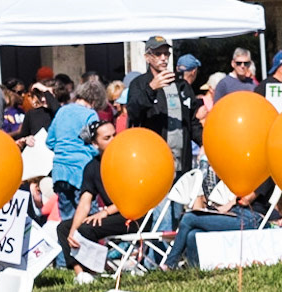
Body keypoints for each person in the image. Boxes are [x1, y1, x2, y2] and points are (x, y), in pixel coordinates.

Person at [163, 164, 276, 269]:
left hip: (251, 219)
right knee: (193, 234)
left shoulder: (266, 173)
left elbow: (246, 200)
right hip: (236, 213)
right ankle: (195, 271)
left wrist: (228, 206)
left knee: (189, 218)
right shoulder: (250, 169)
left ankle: (169, 264)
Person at [47, 79, 107, 268]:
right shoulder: (90, 115)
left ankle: (66, 262)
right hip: (80, 170)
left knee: (66, 220)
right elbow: (93, 143)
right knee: (88, 219)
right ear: (96, 100)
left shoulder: (62, 111)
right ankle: (90, 263)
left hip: (59, 171)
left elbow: (50, 141)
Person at [124, 36, 199, 175]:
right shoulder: (139, 84)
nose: (163, 58)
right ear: (147, 57)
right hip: (153, 161)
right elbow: (133, 113)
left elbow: (192, 121)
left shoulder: (180, 84)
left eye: (166, 53)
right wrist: (151, 89)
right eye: (158, 54)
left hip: (182, 161)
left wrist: (205, 144)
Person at [63, 124, 129, 278]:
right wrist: (73, 231)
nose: (113, 140)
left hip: (133, 215)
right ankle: (81, 274)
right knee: (64, 228)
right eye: (107, 138)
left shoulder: (127, 159)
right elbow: (85, 202)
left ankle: (95, 270)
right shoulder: (92, 167)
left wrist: (105, 212)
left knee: (86, 229)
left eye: (114, 135)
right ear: (94, 143)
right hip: (112, 216)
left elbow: (132, 197)